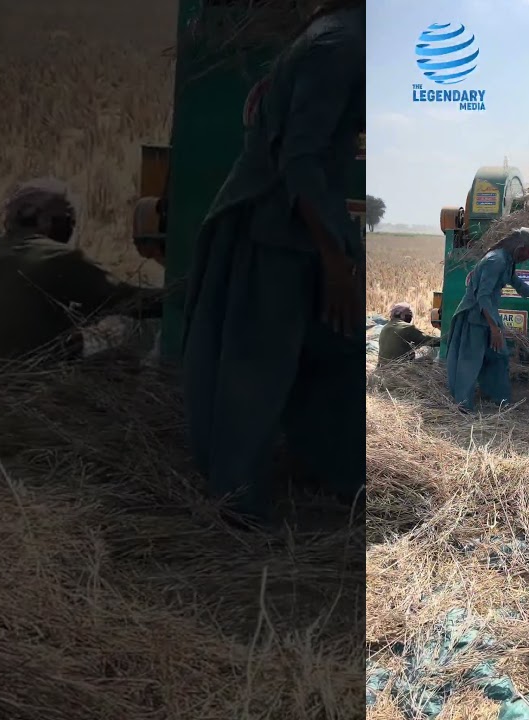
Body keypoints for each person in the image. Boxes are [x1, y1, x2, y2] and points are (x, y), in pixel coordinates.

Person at [181, 0, 364, 525]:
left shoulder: (333, 38)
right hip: (276, 231)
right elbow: (299, 158)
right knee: (255, 371)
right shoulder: (338, 43)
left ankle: (336, 477)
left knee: (337, 354)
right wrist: (335, 262)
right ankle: (238, 508)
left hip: (305, 229)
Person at [0, 177, 164, 382]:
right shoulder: (59, 258)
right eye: (68, 221)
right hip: (32, 389)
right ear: (48, 221)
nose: (70, 228)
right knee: (125, 360)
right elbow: (133, 302)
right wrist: (185, 292)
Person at [445, 227, 529, 411]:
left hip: (488, 316)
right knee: (469, 363)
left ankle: (499, 400)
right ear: (520, 247)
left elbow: (515, 281)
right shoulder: (495, 260)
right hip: (474, 316)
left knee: (499, 357)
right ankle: (463, 406)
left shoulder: (507, 260)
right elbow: (483, 296)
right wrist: (494, 329)